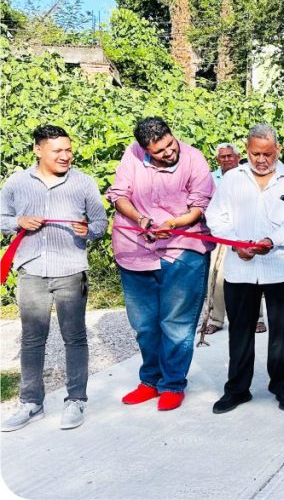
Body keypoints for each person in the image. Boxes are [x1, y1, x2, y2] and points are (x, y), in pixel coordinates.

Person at [0, 125, 107, 431]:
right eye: (57, 151)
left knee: (74, 336)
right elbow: (1, 217)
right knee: (33, 339)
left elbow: (100, 221)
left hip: (71, 270)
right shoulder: (17, 183)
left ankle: (76, 400)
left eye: (68, 150)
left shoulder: (83, 183)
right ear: (38, 150)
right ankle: (31, 403)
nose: (65, 156)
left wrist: (90, 230)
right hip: (31, 271)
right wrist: (17, 221)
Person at [107, 117, 214, 412]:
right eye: (159, 151)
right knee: (144, 324)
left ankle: (172, 384)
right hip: (135, 249)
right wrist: (142, 220)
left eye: (169, 144)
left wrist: (174, 223)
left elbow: (198, 207)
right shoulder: (132, 155)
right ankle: (150, 381)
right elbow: (119, 196)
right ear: (145, 150)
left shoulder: (193, 159)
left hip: (183, 248)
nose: (169, 153)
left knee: (176, 323)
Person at [206, 124, 284, 414]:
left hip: (283, 267)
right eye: (254, 154)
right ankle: (237, 390)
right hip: (241, 268)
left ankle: (283, 387)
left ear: (278, 150)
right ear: (247, 150)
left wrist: (272, 241)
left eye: (267, 154)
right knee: (239, 332)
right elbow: (216, 215)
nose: (261, 160)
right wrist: (235, 242)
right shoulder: (232, 179)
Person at [202, 142, 267, 336]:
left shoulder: (248, 175)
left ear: (238, 158)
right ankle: (215, 319)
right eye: (223, 157)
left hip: (246, 233)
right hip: (220, 234)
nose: (227, 159)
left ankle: (256, 318)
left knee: (253, 276)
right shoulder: (210, 179)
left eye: (231, 156)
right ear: (217, 160)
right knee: (217, 277)